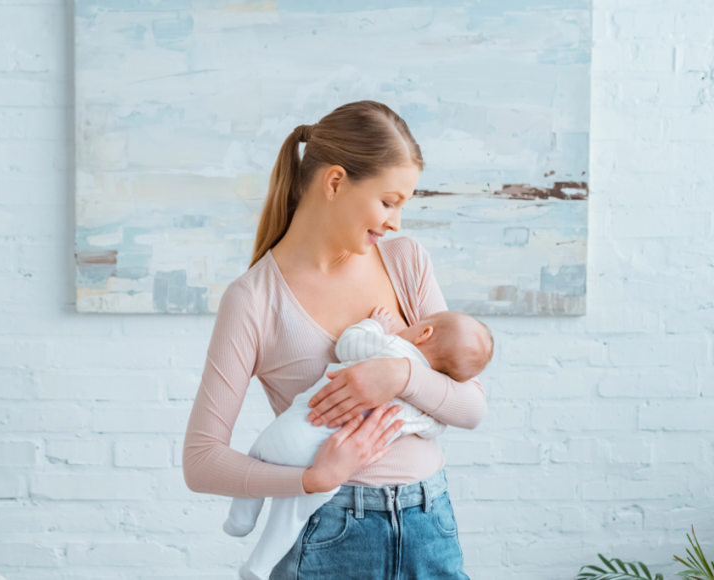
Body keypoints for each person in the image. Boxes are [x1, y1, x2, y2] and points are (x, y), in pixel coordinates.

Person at [182, 100, 488, 579]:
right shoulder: (254, 299)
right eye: (389, 202)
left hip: (430, 520)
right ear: (335, 182)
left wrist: (399, 374)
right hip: (328, 532)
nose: (396, 222)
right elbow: (200, 463)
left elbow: (471, 408)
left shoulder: (406, 262)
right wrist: (313, 479)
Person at [223, 306, 494, 580]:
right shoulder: (420, 396)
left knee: (258, 456)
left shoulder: (391, 344)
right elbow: (421, 425)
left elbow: (349, 345)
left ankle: (240, 518)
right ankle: (256, 566)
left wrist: (373, 326)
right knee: (290, 514)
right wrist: (436, 420)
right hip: (325, 461)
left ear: (424, 332)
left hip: (294, 429)